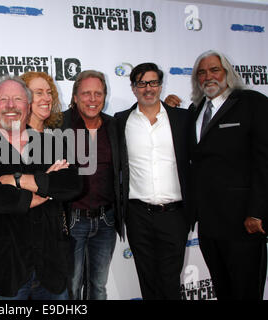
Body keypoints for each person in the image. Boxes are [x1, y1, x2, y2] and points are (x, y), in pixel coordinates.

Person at [0, 75, 82, 300]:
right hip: (5, 273)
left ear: (28, 106)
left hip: (52, 271)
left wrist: (16, 181)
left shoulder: (52, 143)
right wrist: (46, 187)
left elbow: (72, 185)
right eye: (3, 99)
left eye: (17, 99)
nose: (10, 106)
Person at [189, 50, 268, 300]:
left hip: (243, 222)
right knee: (222, 288)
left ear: (227, 73)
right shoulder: (196, 109)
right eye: (202, 72)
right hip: (209, 223)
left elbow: (264, 160)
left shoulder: (251, 102)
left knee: (245, 290)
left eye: (214, 70)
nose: (208, 77)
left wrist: (258, 212)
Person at [114, 63, 190, 300]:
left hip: (174, 215)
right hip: (138, 216)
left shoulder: (181, 118)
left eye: (153, 82)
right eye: (141, 83)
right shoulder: (120, 121)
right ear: (133, 88)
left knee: (169, 282)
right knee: (147, 281)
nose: (148, 88)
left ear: (160, 85)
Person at [60, 70, 123, 300]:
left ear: (105, 96)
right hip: (72, 218)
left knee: (98, 286)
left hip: (106, 220)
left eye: (98, 93)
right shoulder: (59, 124)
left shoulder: (114, 125)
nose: (93, 99)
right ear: (75, 96)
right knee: (72, 286)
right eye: (86, 93)